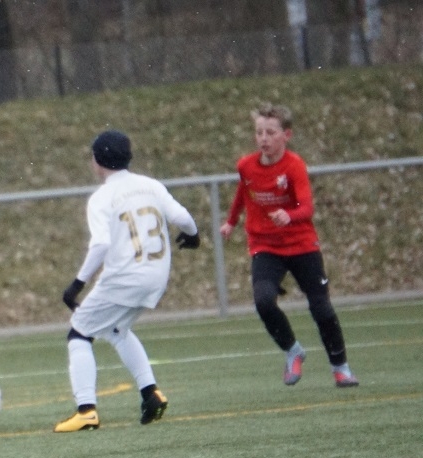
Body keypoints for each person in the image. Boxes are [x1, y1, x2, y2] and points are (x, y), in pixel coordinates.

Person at [55, 130, 201, 433]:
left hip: (125, 277)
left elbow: (101, 245)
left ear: (96, 161)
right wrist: (194, 235)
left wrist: (77, 284)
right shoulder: (150, 185)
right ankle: (151, 394)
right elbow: (182, 217)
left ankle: (86, 410)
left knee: (79, 333)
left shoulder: (102, 197)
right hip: (156, 276)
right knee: (117, 329)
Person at [220, 102, 358, 388]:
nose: (264, 139)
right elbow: (243, 193)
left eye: (270, 132)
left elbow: (307, 208)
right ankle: (293, 350)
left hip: (301, 244)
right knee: (263, 301)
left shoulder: (294, 166)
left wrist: (289, 215)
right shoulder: (246, 166)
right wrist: (231, 222)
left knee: (321, 308)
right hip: (265, 246)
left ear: (287, 135)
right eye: (259, 132)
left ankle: (340, 368)